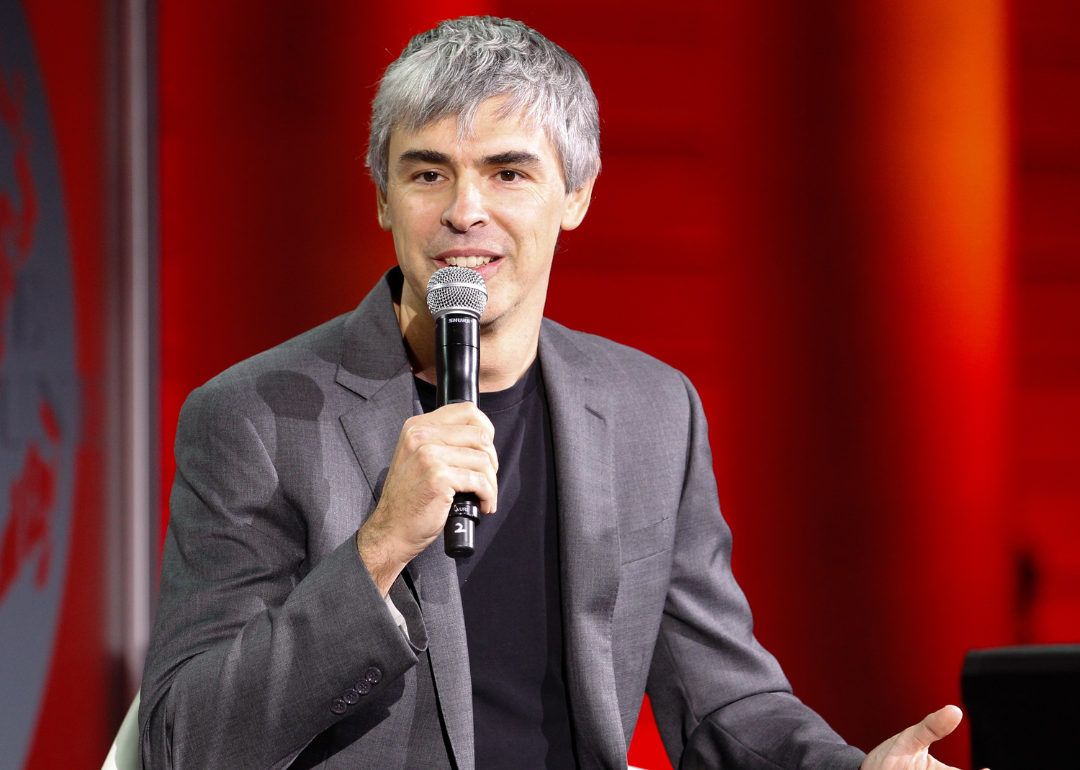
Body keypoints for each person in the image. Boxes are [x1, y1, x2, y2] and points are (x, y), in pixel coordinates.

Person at [140, 16, 967, 770]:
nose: (466, 211)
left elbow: (721, 702)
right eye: (428, 173)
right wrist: (378, 549)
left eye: (508, 173)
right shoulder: (255, 416)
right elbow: (187, 740)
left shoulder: (653, 411)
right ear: (384, 196)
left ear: (576, 195)